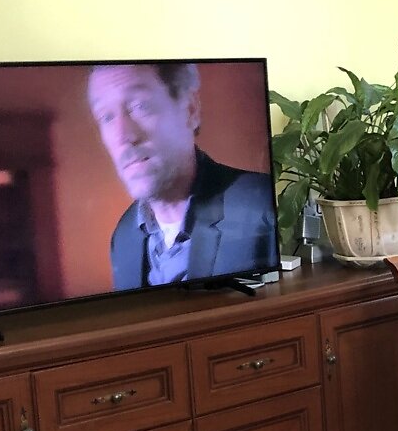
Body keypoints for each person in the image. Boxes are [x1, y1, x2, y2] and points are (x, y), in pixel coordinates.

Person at [87, 63, 277, 291]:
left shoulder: (260, 207)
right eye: (106, 117)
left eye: (140, 106)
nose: (122, 136)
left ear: (190, 110)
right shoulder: (123, 236)